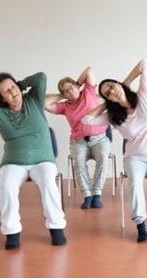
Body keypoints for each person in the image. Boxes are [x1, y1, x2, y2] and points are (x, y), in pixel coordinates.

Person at [0, 72, 67, 250]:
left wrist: (20, 84)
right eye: (6, 92)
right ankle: (12, 232)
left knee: (49, 182)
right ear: (0, 98)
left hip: (43, 160)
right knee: (7, 184)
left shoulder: (34, 100)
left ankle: (56, 228)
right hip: (13, 162)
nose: (13, 93)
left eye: (13, 88)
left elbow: (41, 77)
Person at [81, 59, 147, 243]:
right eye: (107, 93)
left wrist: (125, 82)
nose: (111, 91)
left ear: (118, 84)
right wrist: (107, 104)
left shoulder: (144, 96)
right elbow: (86, 120)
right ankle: (141, 225)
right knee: (135, 180)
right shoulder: (112, 116)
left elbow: (144, 63)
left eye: (111, 86)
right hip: (135, 158)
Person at [44, 66, 110, 210]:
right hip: (78, 141)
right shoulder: (64, 106)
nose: (69, 91)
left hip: (99, 139)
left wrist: (78, 85)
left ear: (76, 86)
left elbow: (90, 70)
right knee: (79, 163)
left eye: (71, 88)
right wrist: (62, 95)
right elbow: (45, 104)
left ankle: (97, 194)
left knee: (103, 157)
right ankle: (87, 195)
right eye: (65, 90)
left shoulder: (88, 92)